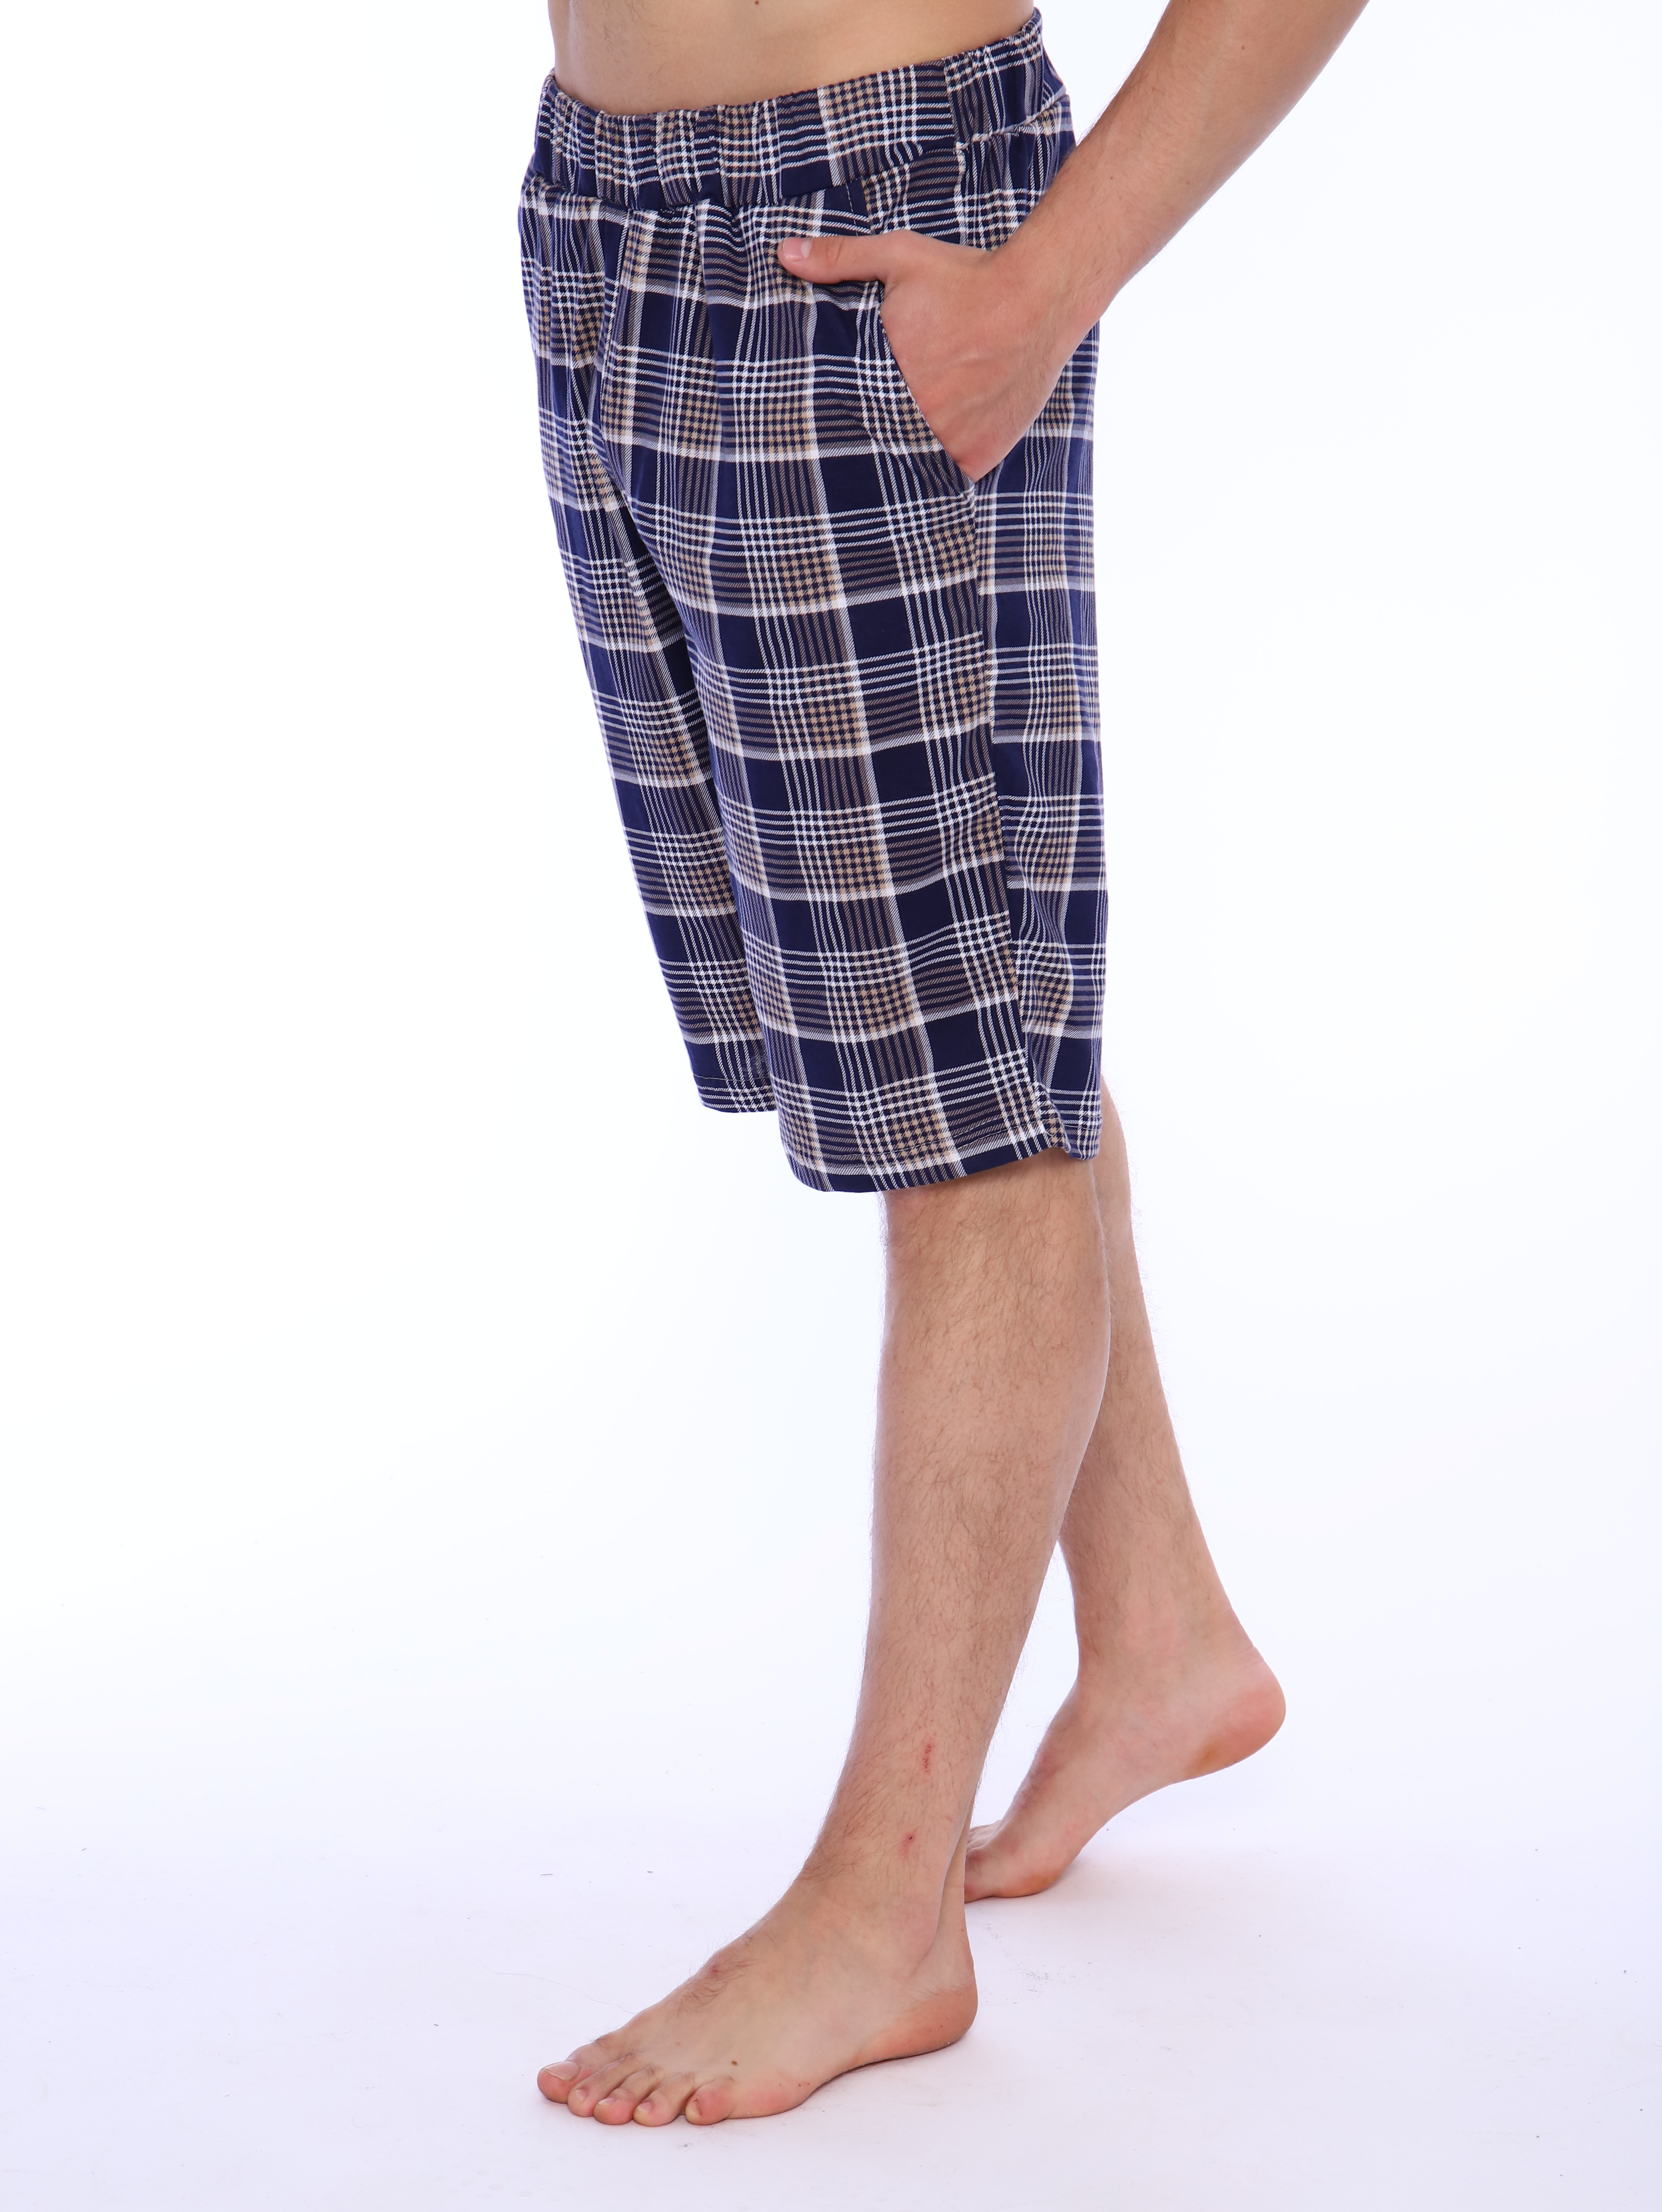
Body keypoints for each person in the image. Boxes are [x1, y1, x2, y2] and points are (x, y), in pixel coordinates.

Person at [522, 0, 1364, 2128]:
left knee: (965, 1108)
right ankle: (1159, 1634)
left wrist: (1046, 282)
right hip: (612, 219)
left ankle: (886, 1906)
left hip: (873, 220)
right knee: (954, 1011)